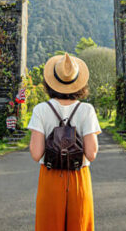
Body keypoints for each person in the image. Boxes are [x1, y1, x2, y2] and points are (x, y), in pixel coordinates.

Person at [27, 52, 101, 231]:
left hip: (50, 176)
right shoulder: (87, 110)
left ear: (51, 81)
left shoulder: (41, 110)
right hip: (78, 177)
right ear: (78, 82)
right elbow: (91, 153)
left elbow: (36, 154)